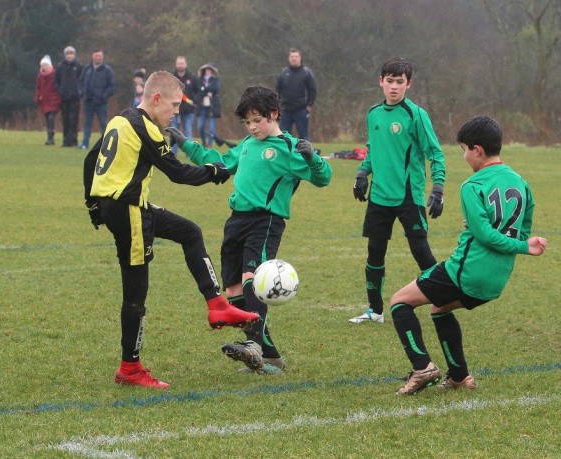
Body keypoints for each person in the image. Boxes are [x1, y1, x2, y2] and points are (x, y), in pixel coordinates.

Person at [82, 71, 261, 389]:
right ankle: (130, 369)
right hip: (128, 210)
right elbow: (178, 174)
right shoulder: (145, 129)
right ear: (156, 98)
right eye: (175, 105)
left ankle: (217, 305)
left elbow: (90, 159)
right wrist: (214, 171)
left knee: (189, 231)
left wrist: (93, 205)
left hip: (123, 205)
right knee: (136, 294)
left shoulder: (120, 119)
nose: (177, 111)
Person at [170, 85, 332, 373]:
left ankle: (254, 346)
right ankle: (270, 356)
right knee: (233, 289)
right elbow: (220, 162)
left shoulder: (289, 147)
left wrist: (312, 158)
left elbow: (323, 179)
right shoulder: (246, 144)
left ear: (274, 114)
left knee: (252, 280)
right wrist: (186, 144)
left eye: (257, 120)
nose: (252, 127)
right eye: (247, 122)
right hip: (236, 221)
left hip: (265, 221)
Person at [390, 115, 547, 395]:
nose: (464, 156)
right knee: (439, 308)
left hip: (466, 271)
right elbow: (521, 232)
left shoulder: (472, 185)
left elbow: (486, 235)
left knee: (399, 302)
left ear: (477, 150)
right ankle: (460, 376)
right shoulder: (521, 183)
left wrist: (516, 243)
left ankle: (422, 367)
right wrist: (520, 243)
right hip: (496, 280)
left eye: (463, 149)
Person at [350, 57, 445, 325]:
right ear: (381, 81)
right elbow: (372, 150)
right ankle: (375, 310)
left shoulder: (416, 115)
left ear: (408, 84)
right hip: (379, 196)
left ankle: (444, 298)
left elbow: (435, 153)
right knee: (374, 251)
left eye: (399, 82)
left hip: (408, 196)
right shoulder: (373, 113)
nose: (394, 86)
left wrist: (438, 188)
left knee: (421, 251)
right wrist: (362, 173)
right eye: (389, 81)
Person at [275, 48, 317, 140]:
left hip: (301, 110)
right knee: (284, 137)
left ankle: (304, 150)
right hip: (285, 110)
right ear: (289, 58)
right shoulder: (283, 72)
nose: (294, 58)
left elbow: (312, 90)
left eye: (296, 56)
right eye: (292, 56)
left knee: (303, 137)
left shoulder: (306, 72)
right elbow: (277, 90)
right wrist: (277, 105)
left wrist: (309, 104)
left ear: (300, 58)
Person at [78, 49, 116, 149]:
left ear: (102, 57)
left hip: (101, 103)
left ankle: (106, 145)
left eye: (99, 56)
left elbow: (112, 86)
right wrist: (82, 93)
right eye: (96, 56)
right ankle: (84, 143)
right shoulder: (87, 68)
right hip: (88, 101)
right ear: (92, 56)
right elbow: (80, 82)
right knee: (87, 123)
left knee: (103, 123)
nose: (97, 58)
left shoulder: (108, 70)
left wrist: (103, 96)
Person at [168, 56, 197, 157]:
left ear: (185, 64)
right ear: (176, 64)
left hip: (188, 110)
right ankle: (173, 154)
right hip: (173, 110)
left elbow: (198, 91)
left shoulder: (192, 77)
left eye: (182, 63)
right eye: (179, 63)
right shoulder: (171, 77)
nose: (180, 65)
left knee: (188, 130)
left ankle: (190, 154)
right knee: (173, 131)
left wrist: (194, 101)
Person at [54, 45, 83, 147]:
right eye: (68, 54)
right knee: (65, 119)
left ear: (74, 55)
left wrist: (79, 92)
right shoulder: (60, 66)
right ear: (65, 55)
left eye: (71, 54)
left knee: (73, 120)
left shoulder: (79, 66)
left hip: (75, 98)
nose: (69, 56)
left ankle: (73, 140)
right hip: (64, 97)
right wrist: (60, 90)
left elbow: (82, 80)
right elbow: (56, 81)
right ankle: (66, 141)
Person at [35, 55, 61, 145]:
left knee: (51, 118)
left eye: (46, 65)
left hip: (54, 100)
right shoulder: (40, 76)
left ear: (50, 65)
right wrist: (37, 97)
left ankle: (51, 136)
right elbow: (38, 88)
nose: (44, 67)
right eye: (42, 65)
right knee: (47, 118)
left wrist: (59, 98)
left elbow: (58, 87)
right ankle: (49, 137)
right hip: (44, 100)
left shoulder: (55, 75)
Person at [195, 63, 221, 148]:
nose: (208, 71)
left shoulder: (216, 80)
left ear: (212, 71)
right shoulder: (199, 80)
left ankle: (209, 145)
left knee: (211, 128)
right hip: (201, 107)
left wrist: (204, 89)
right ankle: (204, 142)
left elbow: (215, 89)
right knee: (200, 127)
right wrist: (206, 90)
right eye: (206, 69)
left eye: (209, 69)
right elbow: (197, 90)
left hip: (211, 107)